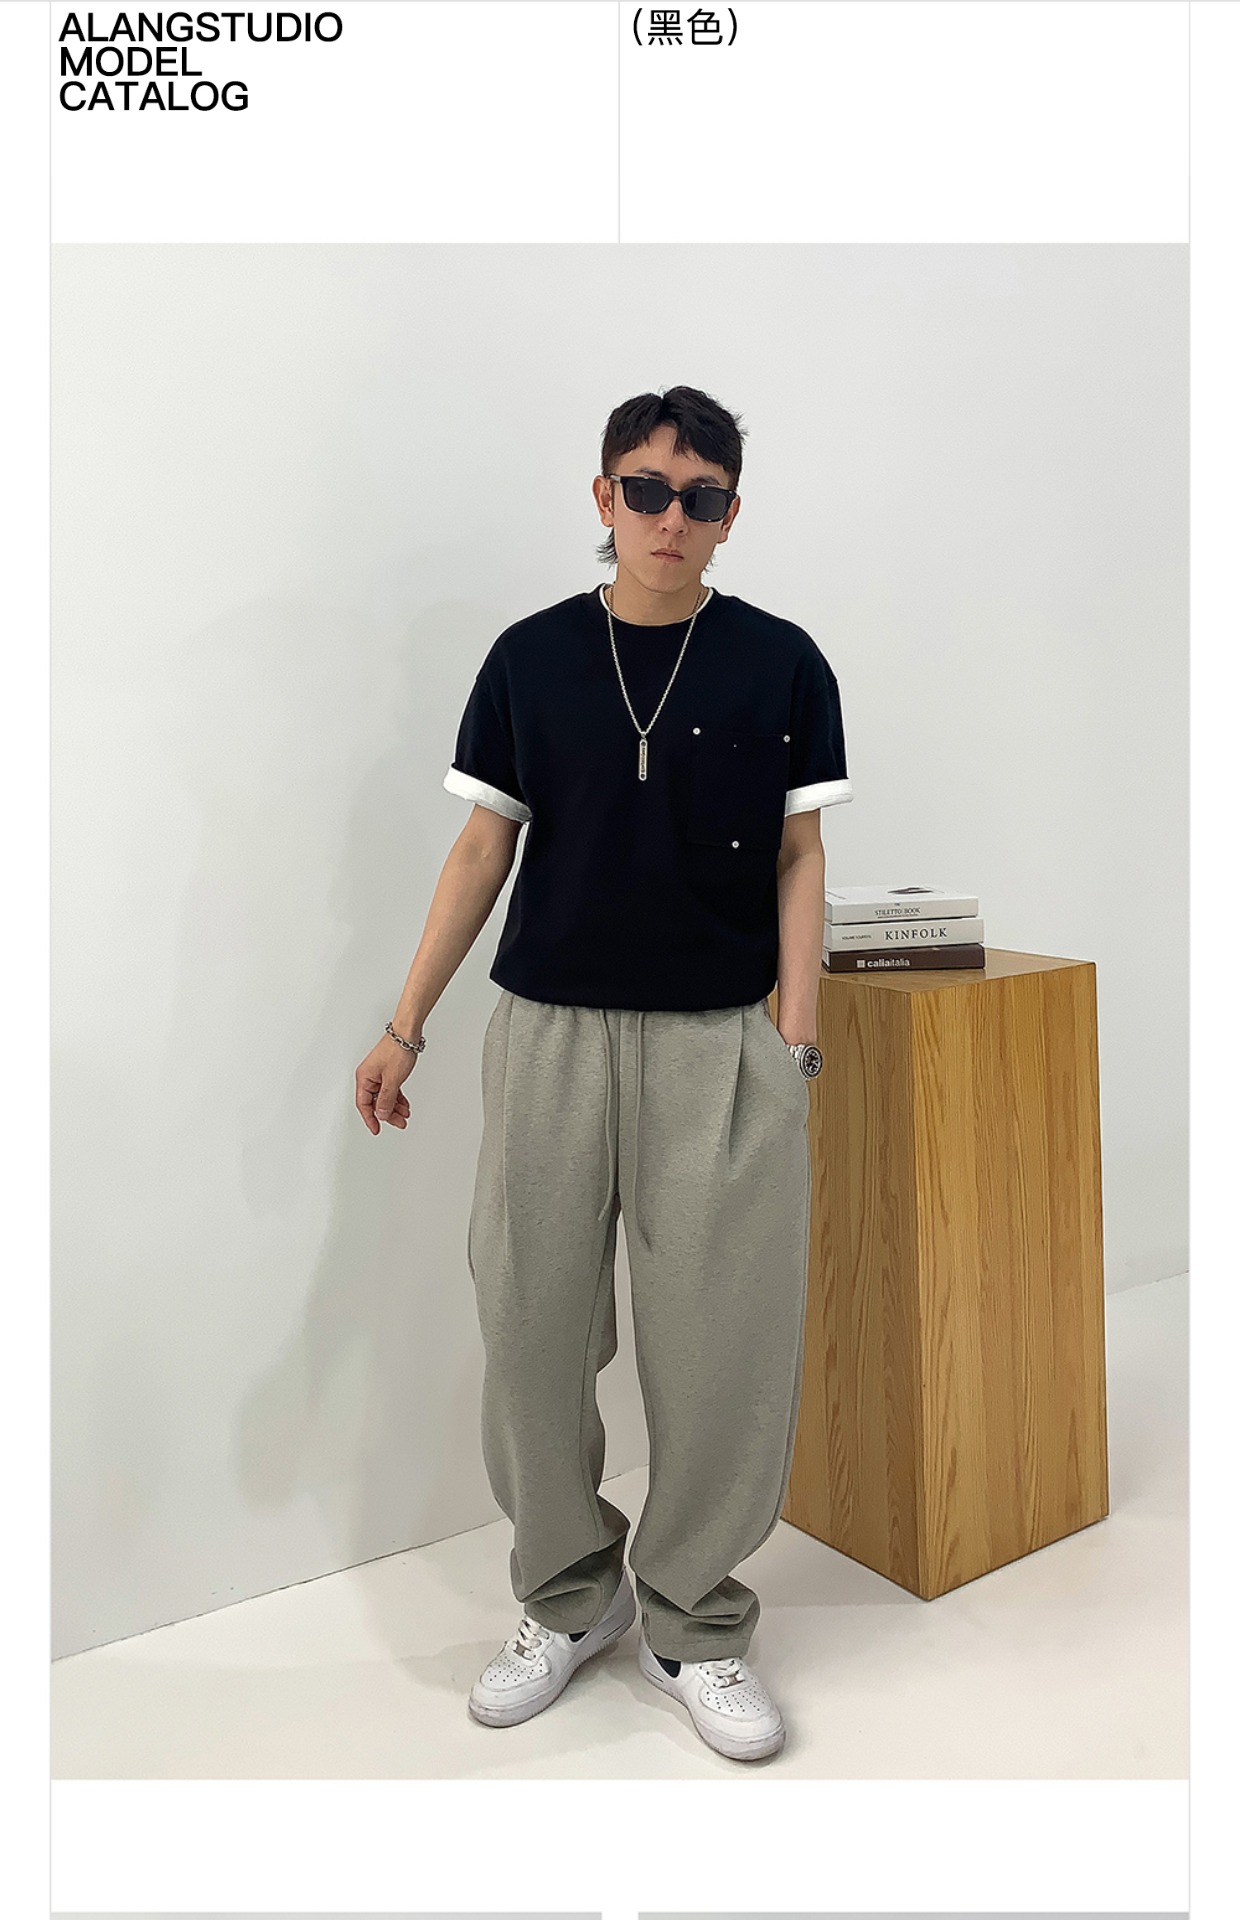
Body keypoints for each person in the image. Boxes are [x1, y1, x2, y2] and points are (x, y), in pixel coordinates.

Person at [354, 385, 852, 1762]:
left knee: (722, 1350)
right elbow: (482, 850)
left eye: (700, 497)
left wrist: (795, 1039)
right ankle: (569, 1599)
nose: (669, 518)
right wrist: (405, 1024)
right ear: (603, 498)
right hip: (550, 1039)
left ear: (730, 514)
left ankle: (697, 1619)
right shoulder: (530, 660)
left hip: (720, 1045)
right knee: (529, 1329)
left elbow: (802, 857)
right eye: (645, 490)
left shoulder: (783, 664)